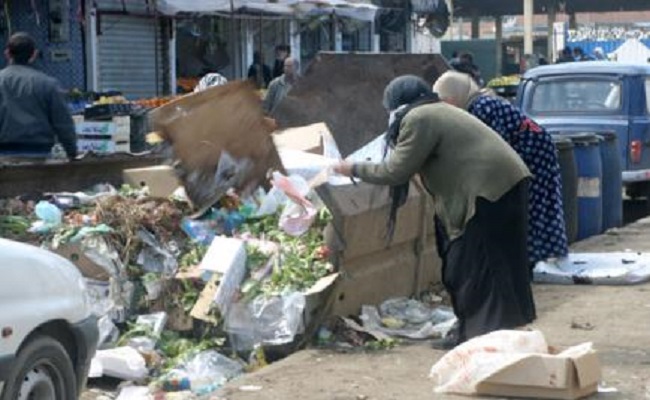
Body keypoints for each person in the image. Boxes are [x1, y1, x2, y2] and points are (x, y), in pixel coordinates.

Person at [333, 75, 536, 349]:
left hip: (487, 191)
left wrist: (351, 168)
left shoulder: (419, 118)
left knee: (473, 264)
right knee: (496, 263)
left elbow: (396, 170)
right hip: (505, 184)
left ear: (397, 105)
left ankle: (478, 337)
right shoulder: (437, 110)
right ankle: (489, 332)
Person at [433, 70, 569, 269]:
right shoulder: (479, 104)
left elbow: (493, 145)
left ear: (456, 97)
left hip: (533, 154)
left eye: (447, 102)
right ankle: (544, 257)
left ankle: (534, 258)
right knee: (541, 204)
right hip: (536, 150)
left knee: (533, 206)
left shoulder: (482, 108)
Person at [0, 32, 76, 161]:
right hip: (39, 154)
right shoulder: (48, 84)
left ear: (7, 53)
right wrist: (72, 152)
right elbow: (63, 123)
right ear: (34, 54)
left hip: (3, 154)